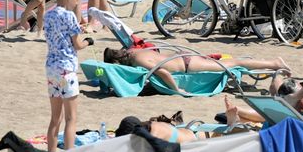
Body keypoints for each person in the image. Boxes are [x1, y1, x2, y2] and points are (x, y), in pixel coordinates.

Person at [102, 44, 290, 93]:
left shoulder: (137, 61)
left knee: (234, 63)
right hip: (184, 57)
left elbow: (162, 70)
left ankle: (275, 63)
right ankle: (273, 63)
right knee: (233, 62)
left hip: (187, 64)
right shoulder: (133, 52)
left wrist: (176, 89)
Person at [44, 0, 88, 151]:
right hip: (67, 69)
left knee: (55, 118)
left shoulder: (48, 15)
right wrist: (88, 42)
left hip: (51, 67)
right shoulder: (69, 15)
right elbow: (77, 44)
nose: (77, 3)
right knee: (71, 118)